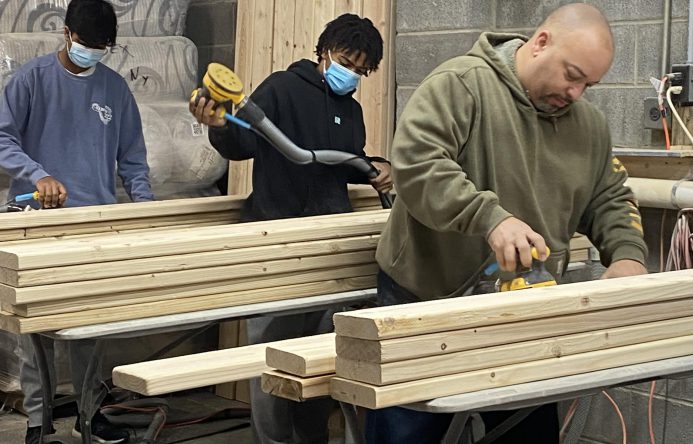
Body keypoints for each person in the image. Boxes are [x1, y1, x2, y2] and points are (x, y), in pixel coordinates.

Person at [368, 3, 648, 444]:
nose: (576, 92)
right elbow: (418, 165)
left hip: (525, 310)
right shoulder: (460, 85)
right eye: (571, 75)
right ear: (540, 43)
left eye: (588, 84)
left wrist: (628, 256)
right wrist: (490, 218)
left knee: (524, 432)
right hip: (428, 297)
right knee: (410, 432)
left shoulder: (589, 126)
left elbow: (611, 197)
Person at [189, 13, 391, 444]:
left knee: (320, 360)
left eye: (360, 70)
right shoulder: (281, 87)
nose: (350, 74)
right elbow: (244, 142)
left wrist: (375, 168)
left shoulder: (351, 109)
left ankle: (313, 437)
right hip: (277, 241)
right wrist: (220, 125)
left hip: (330, 246)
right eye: (345, 61)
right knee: (272, 359)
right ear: (323, 52)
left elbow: (346, 160)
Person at [0, 0, 153, 443]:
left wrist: (148, 211)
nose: (93, 52)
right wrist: (38, 174)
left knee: (91, 327)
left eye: (102, 47)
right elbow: (3, 138)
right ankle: (37, 421)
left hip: (94, 223)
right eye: (87, 44)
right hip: (37, 221)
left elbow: (133, 161)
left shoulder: (115, 90)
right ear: (67, 34)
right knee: (34, 331)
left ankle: (89, 414)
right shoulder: (32, 80)